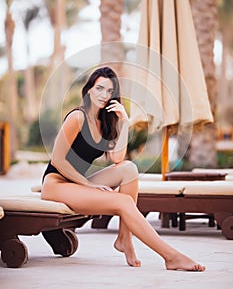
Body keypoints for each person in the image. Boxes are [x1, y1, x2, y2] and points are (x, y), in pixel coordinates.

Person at [41, 66, 205, 271]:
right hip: (56, 184)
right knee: (122, 201)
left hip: (77, 184)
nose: (104, 95)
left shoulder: (105, 123)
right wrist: (88, 184)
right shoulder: (77, 117)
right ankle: (171, 257)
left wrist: (124, 123)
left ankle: (124, 238)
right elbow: (57, 160)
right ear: (89, 89)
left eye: (109, 91)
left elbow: (117, 158)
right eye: (99, 88)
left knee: (129, 169)